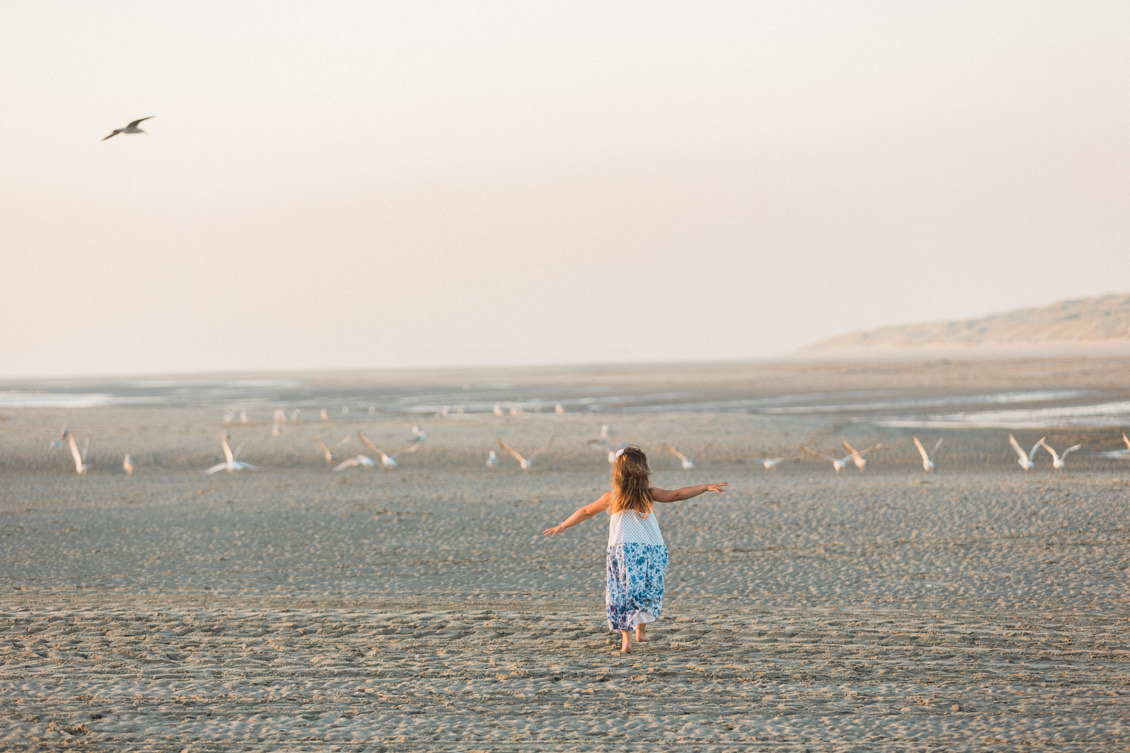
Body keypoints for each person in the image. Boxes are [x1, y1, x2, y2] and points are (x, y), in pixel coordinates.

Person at [543, 445, 728, 653]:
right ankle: (641, 631)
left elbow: (586, 511)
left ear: (618, 473)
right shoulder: (648, 494)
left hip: (623, 551)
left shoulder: (613, 497)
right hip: (651, 549)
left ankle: (628, 640)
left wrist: (563, 525)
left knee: (623, 592)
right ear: (643, 470)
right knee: (647, 589)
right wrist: (704, 487)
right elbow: (676, 494)